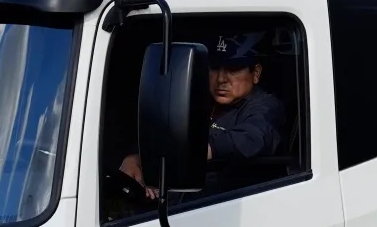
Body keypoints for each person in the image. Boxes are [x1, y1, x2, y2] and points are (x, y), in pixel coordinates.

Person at [117, 32, 289, 195]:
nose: (221, 79)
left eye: (233, 69)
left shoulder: (266, 106)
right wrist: (136, 158)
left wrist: (193, 151)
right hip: (176, 198)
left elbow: (253, 138)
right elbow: (164, 130)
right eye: (214, 67)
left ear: (256, 73)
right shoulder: (197, 99)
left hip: (223, 203)